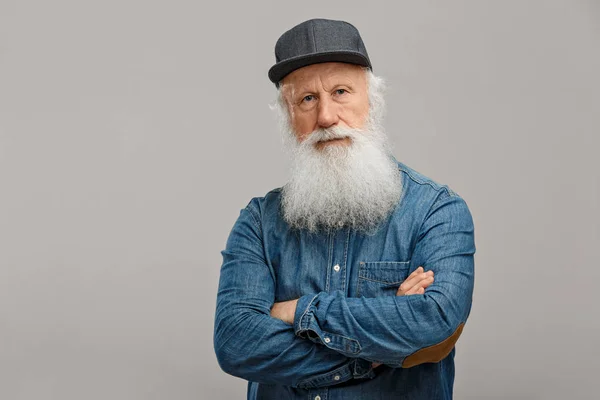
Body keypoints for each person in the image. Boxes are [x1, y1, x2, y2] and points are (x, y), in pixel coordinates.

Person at [214, 18, 476, 400]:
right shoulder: (258, 222)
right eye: (307, 99)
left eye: (340, 92)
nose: (325, 117)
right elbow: (236, 342)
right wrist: (371, 356)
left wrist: (299, 311)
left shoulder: (437, 211)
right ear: (289, 115)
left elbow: (435, 321)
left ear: (372, 100)